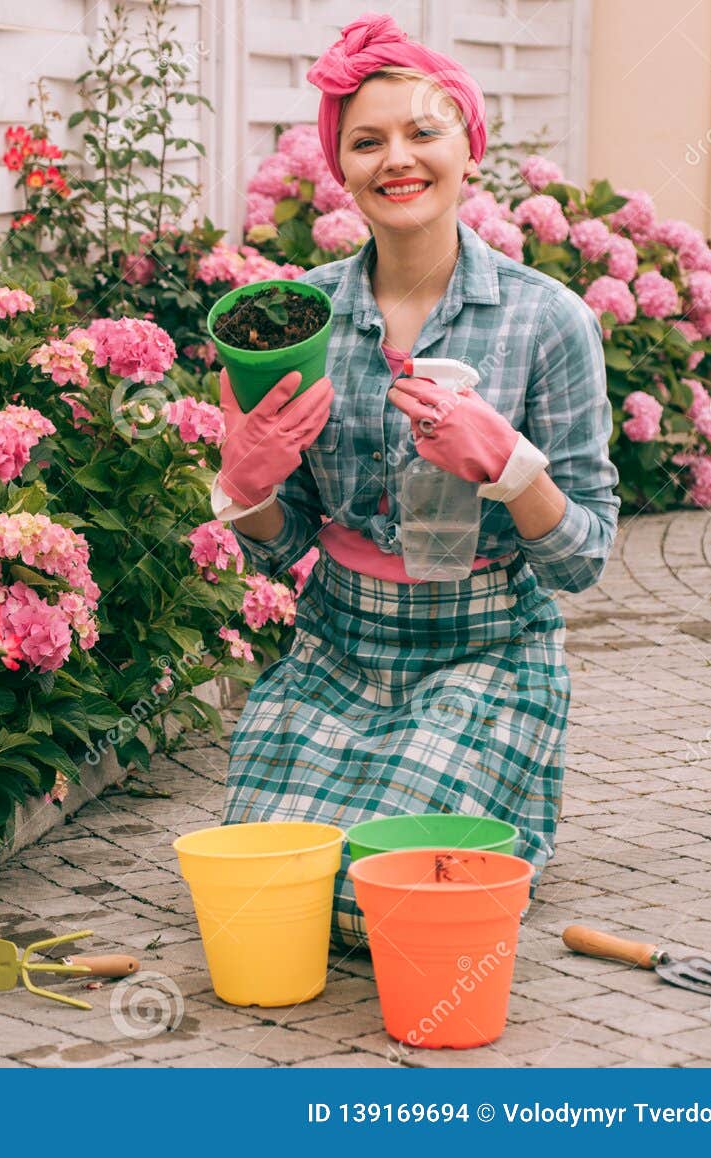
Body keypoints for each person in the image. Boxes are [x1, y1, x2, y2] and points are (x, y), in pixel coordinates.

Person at [214, 12, 620, 947]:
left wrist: (512, 467)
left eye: (422, 132)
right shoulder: (296, 318)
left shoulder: (546, 322)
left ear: (467, 147)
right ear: (342, 167)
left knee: (370, 904)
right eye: (367, 140)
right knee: (269, 890)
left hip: (489, 652)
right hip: (337, 649)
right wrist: (250, 486)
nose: (397, 159)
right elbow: (286, 551)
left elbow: (584, 559)